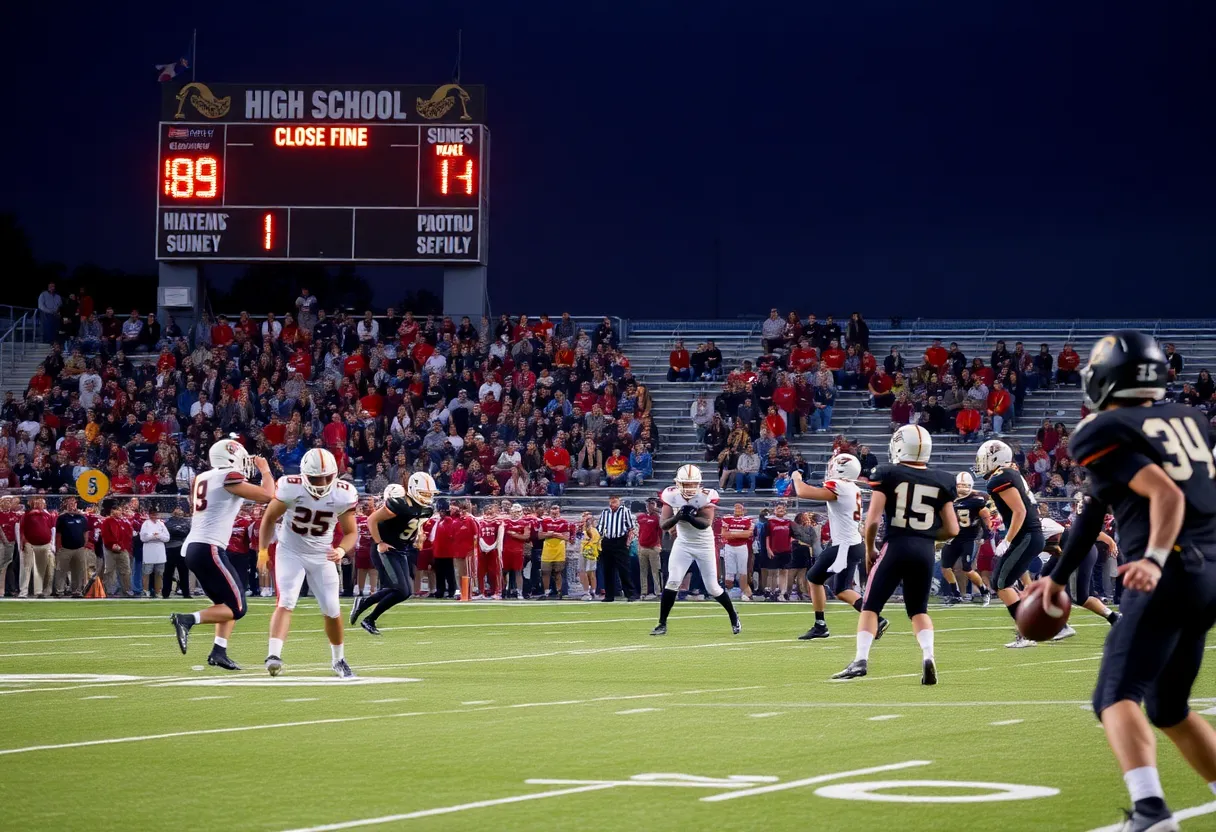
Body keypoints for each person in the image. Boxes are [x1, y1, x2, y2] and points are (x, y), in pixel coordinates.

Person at [1029, 331, 1216, 831]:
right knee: (1169, 706)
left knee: (1114, 695)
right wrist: (1058, 578)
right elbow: (1095, 509)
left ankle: (1151, 813)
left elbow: (1168, 497)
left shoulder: (1101, 428)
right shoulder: (1191, 419)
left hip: (1167, 572)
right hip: (1208, 577)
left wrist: (1154, 559)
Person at [832, 425, 958, 684]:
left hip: (896, 545)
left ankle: (860, 660)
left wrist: (870, 548)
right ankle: (928, 655)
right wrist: (924, 537)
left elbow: (873, 520)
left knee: (870, 606)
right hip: (924, 550)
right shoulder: (943, 479)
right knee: (918, 610)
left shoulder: (887, 473)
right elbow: (953, 529)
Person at [170, 440, 275, 670]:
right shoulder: (228, 477)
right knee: (238, 608)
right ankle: (188, 619)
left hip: (196, 546)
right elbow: (268, 495)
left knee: (224, 604)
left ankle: (219, 651)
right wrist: (265, 470)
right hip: (209, 547)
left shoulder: (202, 477)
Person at [256, 448, 358, 678]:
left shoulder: (343, 494)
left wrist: (341, 550)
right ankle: (273, 655)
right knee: (287, 600)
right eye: (315, 478)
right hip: (291, 551)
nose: (321, 483)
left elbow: (351, 532)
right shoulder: (291, 487)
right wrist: (263, 551)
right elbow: (269, 518)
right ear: (304, 475)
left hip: (322, 555)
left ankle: (338, 659)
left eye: (326, 477)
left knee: (332, 608)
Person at [791, 453, 888, 639]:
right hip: (853, 544)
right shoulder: (851, 487)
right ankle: (877, 618)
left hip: (844, 546)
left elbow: (803, 492)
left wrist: (796, 477)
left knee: (813, 578)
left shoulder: (840, 486)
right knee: (842, 590)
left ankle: (820, 625)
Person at [651, 465, 740, 635]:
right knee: (673, 581)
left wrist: (690, 517)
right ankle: (662, 623)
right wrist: (678, 516)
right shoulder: (671, 495)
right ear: (678, 483)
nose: (690, 488)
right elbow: (663, 524)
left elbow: (706, 523)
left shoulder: (706, 496)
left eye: (693, 484)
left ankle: (734, 617)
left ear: (699, 484)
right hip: (683, 543)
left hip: (704, 544)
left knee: (712, 587)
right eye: (686, 484)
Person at [974, 439, 1046, 648]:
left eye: (984, 459)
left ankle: (1028, 631)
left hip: (1026, 535)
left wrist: (1007, 540)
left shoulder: (999, 478)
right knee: (1004, 581)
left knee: (1001, 582)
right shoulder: (1008, 473)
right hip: (1030, 535)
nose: (980, 463)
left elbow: (1019, 511)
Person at [353, 475, 437, 634]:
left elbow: (414, 522)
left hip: (401, 549)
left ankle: (367, 613)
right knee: (398, 588)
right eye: (424, 493)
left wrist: (418, 535)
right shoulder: (400, 504)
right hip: (386, 548)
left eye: (429, 494)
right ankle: (368, 615)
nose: (428, 497)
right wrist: (380, 542)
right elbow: (372, 520)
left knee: (405, 592)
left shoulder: (427, 509)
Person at [938, 472, 993, 605]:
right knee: (945, 567)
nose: (962, 488)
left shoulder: (978, 499)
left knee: (967, 568)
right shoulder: (950, 497)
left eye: (966, 485)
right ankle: (955, 594)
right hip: (953, 537)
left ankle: (984, 592)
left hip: (969, 538)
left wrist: (987, 529)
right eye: (960, 485)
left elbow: (985, 513)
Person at [595, 494, 637, 602]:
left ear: (619, 501)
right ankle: (609, 595)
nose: (612, 504)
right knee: (607, 570)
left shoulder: (625, 511)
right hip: (608, 541)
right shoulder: (605, 512)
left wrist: (627, 543)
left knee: (624, 569)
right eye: (611, 501)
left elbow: (631, 528)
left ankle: (630, 594)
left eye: (614, 502)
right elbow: (600, 527)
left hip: (620, 541)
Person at [54, 497, 89, 597]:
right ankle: (60, 590)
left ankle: (76, 590)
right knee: (61, 570)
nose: (72, 505)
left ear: (76, 504)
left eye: (73, 503)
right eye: (69, 503)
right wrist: (58, 547)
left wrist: (83, 544)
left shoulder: (82, 518)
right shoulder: (62, 518)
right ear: (66, 505)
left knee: (78, 570)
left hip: (79, 548)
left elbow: (86, 532)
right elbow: (58, 534)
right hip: (65, 548)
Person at [720, 503, 755, 601]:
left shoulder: (748, 520)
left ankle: (746, 592)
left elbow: (747, 534)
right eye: (736, 507)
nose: (737, 509)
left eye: (740, 507)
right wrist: (739, 533)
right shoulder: (727, 519)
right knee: (729, 575)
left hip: (742, 547)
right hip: (729, 547)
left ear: (744, 510)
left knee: (743, 572)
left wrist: (731, 533)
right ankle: (730, 592)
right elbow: (724, 534)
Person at [537, 503, 572, 598]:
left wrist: (554, 534)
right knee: (545, 572)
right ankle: (546, 592)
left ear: (559, 512)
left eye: (556, 512)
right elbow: (539, 536)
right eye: (553, 512)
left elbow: (566, 537)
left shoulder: (564, 522)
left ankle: (559, 592)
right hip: (547, 550)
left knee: (558, 572)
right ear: (549, 512)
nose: (554, 514)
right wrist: (549, 534)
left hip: (559, 550)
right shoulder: (544, 521)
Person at [140, 508, 169, 597]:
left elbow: (167, 538)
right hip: (149, 551)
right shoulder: (145, 524)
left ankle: (158, 591)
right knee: (147, 573)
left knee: (159, 573)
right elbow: (143, 538)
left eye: (156, 514)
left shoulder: (161, 524)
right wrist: (153, 536)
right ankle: (145, 590)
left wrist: (159, 536)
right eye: (152, 514)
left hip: (160, 551)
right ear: (149, 515)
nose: (154, 516)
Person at [578, 512, 601, 600]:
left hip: (588, 553)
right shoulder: (582, 529)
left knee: (585, 573)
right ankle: (592, 592)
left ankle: (587, 593)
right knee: (589, 573)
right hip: (587, 552)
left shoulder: (592, 531)